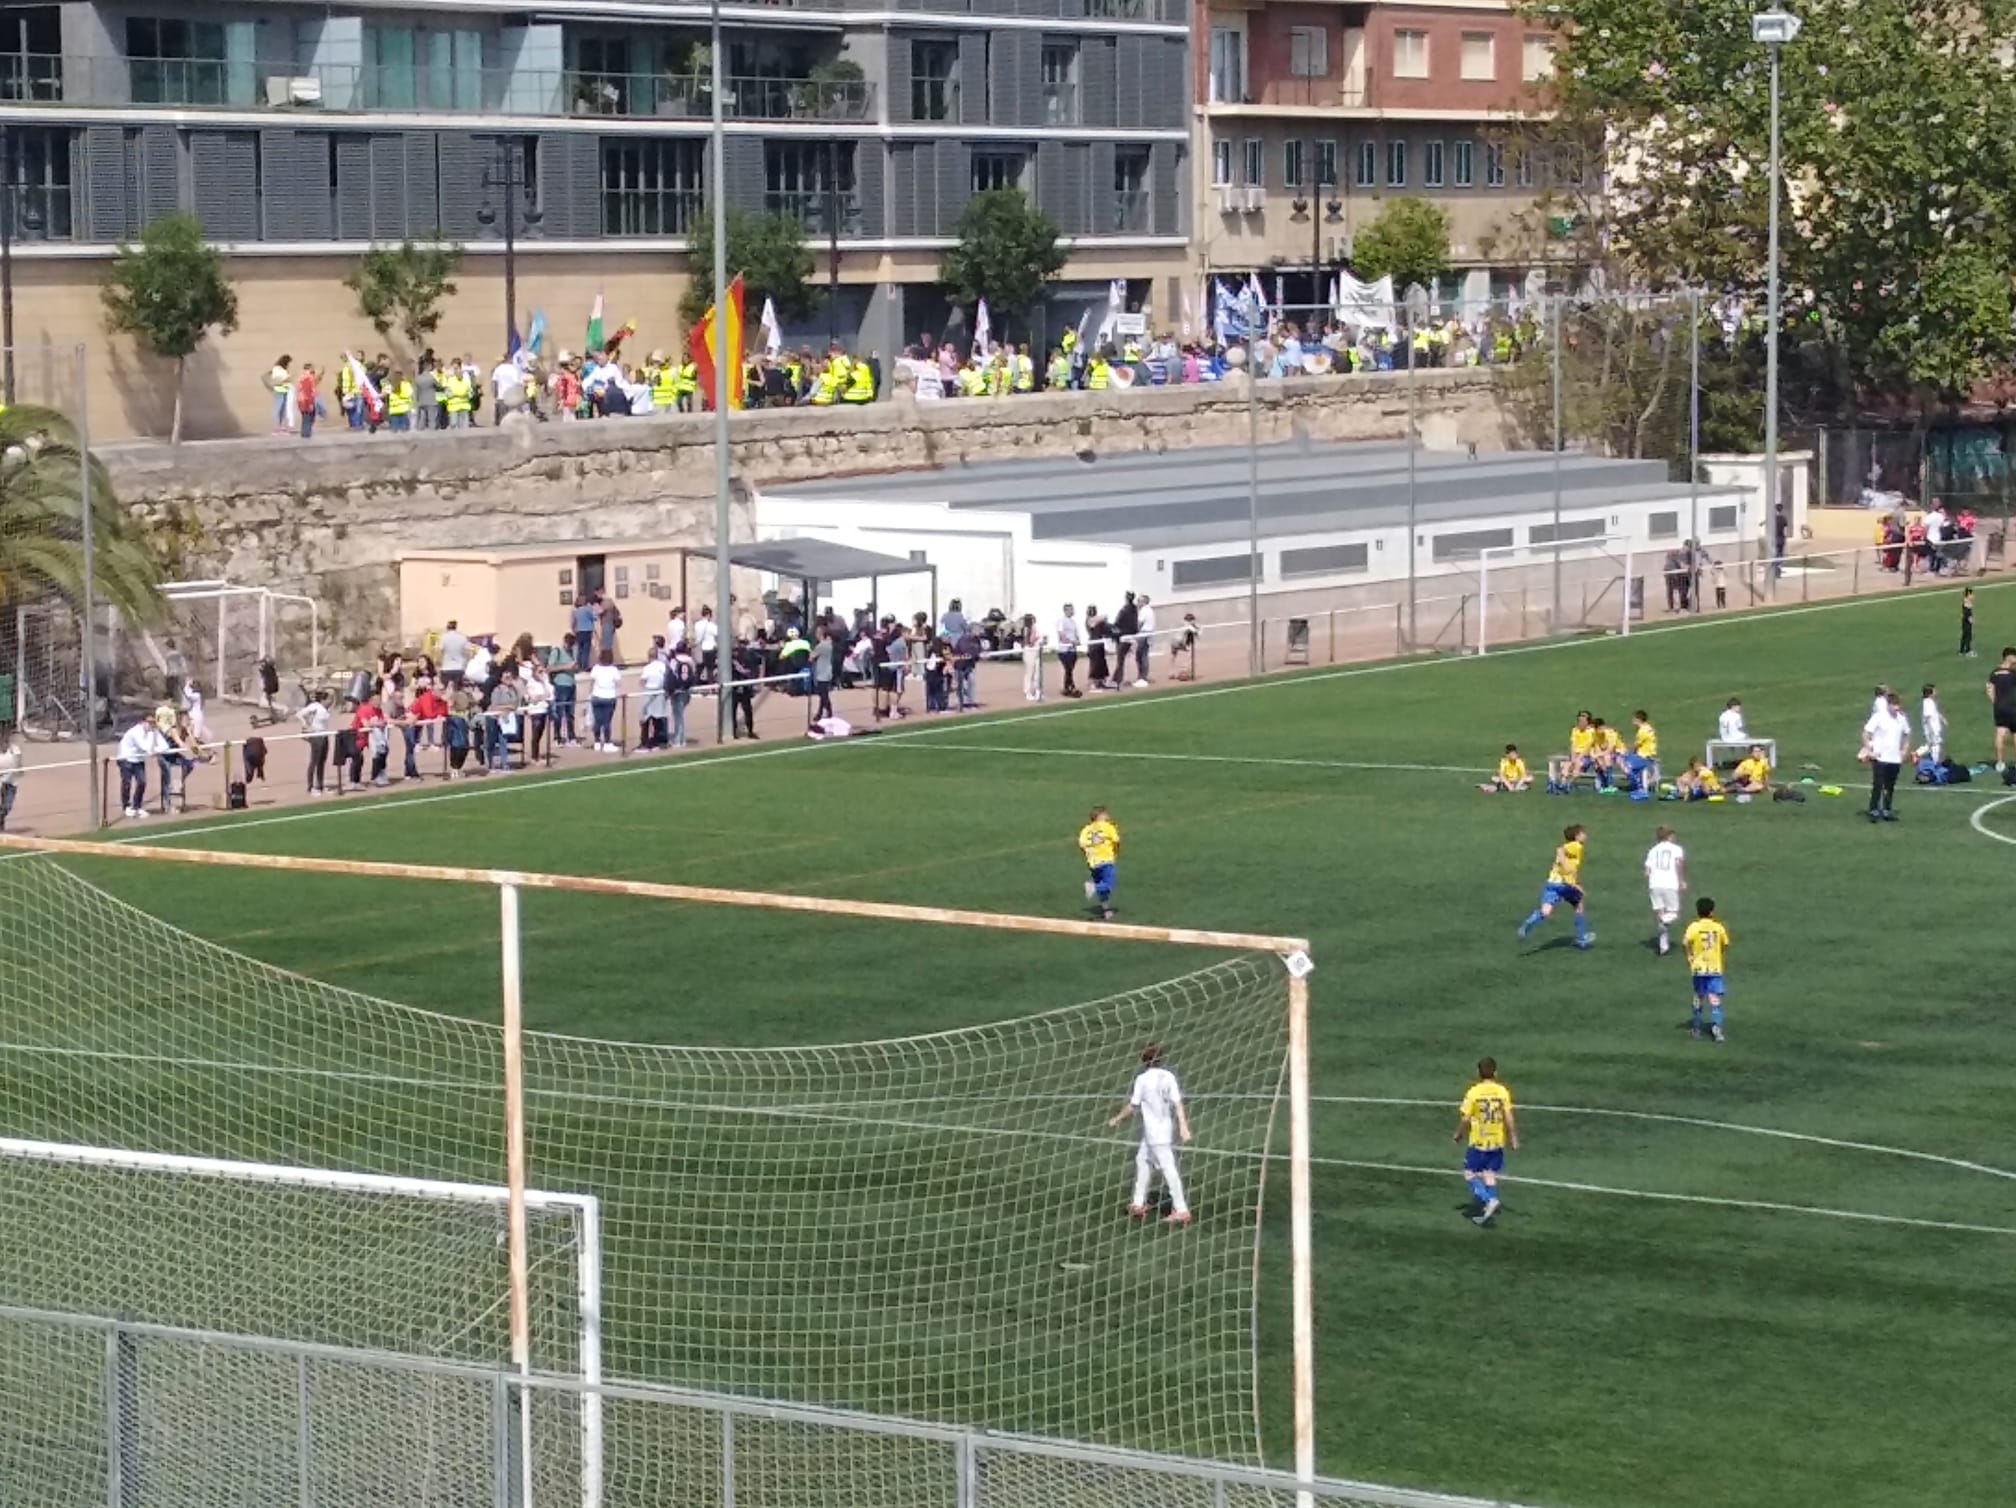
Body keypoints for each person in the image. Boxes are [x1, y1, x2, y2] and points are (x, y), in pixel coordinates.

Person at [1107, 1042, 1192, 1226]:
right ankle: (1138, 1203)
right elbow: (1178, 1103)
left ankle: (1181, 1209)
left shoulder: (1143, 1080)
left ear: (1143, 1060)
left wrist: (1117, 1119)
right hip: (1162, 1129)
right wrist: (1183, 1127)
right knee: (1142, 1159)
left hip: (1155, 1133)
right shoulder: (1169, 1076)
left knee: (1167, 1167)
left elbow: (1133, 1105)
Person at [1453, 1057, 1517, 1227]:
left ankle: (1489, 1199)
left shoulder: (1473, 1092)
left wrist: (1459, 1133)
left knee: (1469, 1173)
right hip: (1496, 1140)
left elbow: (1466, 1118)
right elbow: (1508, 1116)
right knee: (1489, 1173)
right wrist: (1513, 1138)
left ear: (1478, 1073)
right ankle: (1490, 1204)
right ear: (1495, 1072)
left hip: (1479, 1141)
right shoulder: (1502, 1091)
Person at [1517, 824, 1593, 949]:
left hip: (1551, 883)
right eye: (1583, 834)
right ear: (1577, 836)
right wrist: (1562, 857)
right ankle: (1581, 940)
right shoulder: (1576, 846)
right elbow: (1563, 854)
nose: (1586, 836)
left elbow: (1568, 864)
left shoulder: (1573, 847)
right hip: (1564, 885)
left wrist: (1575, 882)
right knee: (1578, 906)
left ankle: (1528, 923)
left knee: (1545, 911)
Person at [1683, 897, 1731, 1042]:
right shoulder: (1718, 927)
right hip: (1715, 967)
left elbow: (1685, 942)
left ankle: (1696, 1027)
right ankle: (1717, 1029)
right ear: (1711, 912)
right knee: (1714, 997)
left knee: (1699, 995)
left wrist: (1689, 956)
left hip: (1699, 968)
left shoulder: (1694, 927)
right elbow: (1725, 944)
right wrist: (1719, 954)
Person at [1860, 691, 1910, 823]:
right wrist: (1869, 750)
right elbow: (1865, 733)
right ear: (1888, 705)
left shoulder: (1901, 718)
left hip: (1895, 758)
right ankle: (1873, 809)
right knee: (1878, 784)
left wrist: (1904, 751)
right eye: (1894, 705)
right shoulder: (1879, 717)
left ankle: (1887, 809)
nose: (1896, 708)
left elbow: (1907, 734)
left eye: (1897, 705)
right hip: (1880, 758)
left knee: (1890, 786)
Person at [1644, 825, 1686, 956]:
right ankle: (1665, 925)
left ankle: (1663, 946)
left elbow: (1646, 872)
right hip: (1669, 884)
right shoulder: (1676, 849)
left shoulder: (1652, 850)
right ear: (1669, 836)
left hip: (1654, 884)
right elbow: (1678, 864)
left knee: (1660, 915)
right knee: (1673, 913)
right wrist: (1681, 880)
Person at [116, 712, 168, 818]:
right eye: (149, 722)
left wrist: (155, 750)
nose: (152, 724)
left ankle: (137, 806)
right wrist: (152, 748)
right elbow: (145, 747)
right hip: (126, 758)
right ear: (142, 722)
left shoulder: (153, 731)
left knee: (142, 782)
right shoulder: (136, 732)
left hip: (138, 759)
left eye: (153, 722)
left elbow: (165, 746)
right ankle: (126, 806)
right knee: (127, 783)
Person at [1078, 804, 1120, 921]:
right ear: (1100, 816)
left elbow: (1081, 845)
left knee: (1103, 888)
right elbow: (1116, 840)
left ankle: (1106, 910)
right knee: (1108, 885)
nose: (1108, 816)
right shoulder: (1108, 827)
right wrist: (1115, 851)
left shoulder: (1086, 829)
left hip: (1092, 862)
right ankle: (1093, 886)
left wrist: (1088, 855)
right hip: (1106, 860)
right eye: (1106, 814)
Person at [587, 651, 623, 752]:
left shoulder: (596, 668)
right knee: (607, 721)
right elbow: (619, 683)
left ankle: (597, 742)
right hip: (609, 698)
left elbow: (591, 683)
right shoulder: (614, 670)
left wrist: (589, 695)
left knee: (598, 721)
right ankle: (607, 742)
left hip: (597, 696)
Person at [547, 635, 579, 746]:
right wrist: (566, 667)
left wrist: (575, 667)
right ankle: (557, 737)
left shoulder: (572, 653)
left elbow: (574, 668)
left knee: (570, 713)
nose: (569, 646)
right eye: (568, 644)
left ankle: (571, 736)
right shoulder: (557, 652)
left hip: (571, 685)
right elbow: (550, 668)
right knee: (559, 713)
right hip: (560, 685)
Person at [1989, 646, 2016, 772]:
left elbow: (1989, 690)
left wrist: (1996, 703)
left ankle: (2000, 763)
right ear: (2009, 657)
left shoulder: (1994, 673)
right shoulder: (2013, 673)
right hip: (2012, 707)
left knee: (2000, 734)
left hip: (1999, 708)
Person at [1054, 604, 1082, 698]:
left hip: (1072, 650)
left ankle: (1067, 688)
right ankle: (1071, 687)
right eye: (1070, 610)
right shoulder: (1061, 621)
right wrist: (1071, 642)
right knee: (1068, 668)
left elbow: (1077, 635)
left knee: (1070, 670)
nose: (1072, 611)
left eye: (1072, 609)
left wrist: (1077, 641)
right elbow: (1061, 635)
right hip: (1064, 650)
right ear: (1065, 611)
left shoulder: (1073, 622)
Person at [0, 726, 22, 831]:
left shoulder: (14, 749)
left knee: (7, 806)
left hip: (11, 781)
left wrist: (19, 770)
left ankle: (1, 819)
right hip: (0, 781)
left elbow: (18, 764)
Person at [438, 620, 470, 690]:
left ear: (447, 626)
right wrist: (465, 665)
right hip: (459, 668)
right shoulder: (463, 637)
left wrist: (439, 664)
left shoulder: (443, 637)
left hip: (446, 668)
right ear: (456, 627)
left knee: (445, 691)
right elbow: (467, 653)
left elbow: (439, 652)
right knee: (457, 691)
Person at [1920, 683, 1946, 765]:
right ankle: (1935, 762)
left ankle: (1917, 754)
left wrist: (1942, 718)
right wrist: (1932, 730)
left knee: (1930, 745)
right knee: (1936, 745)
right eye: (1934, 690)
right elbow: (1928, 718)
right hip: (1932, 729)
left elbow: (1935, 712)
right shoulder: (1927, 703)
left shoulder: (1930, 701)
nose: (1936, 692)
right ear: (1929, 693)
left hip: (1934, 728)